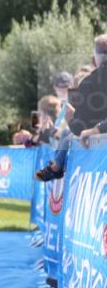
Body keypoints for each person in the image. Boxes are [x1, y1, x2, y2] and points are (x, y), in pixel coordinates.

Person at [36, 33, 107, 181]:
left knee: (68, 134)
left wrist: (71, 120)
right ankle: (56, 165)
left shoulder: (90, 83)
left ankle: (56, 166)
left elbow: (80, 129)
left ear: (95, 58)